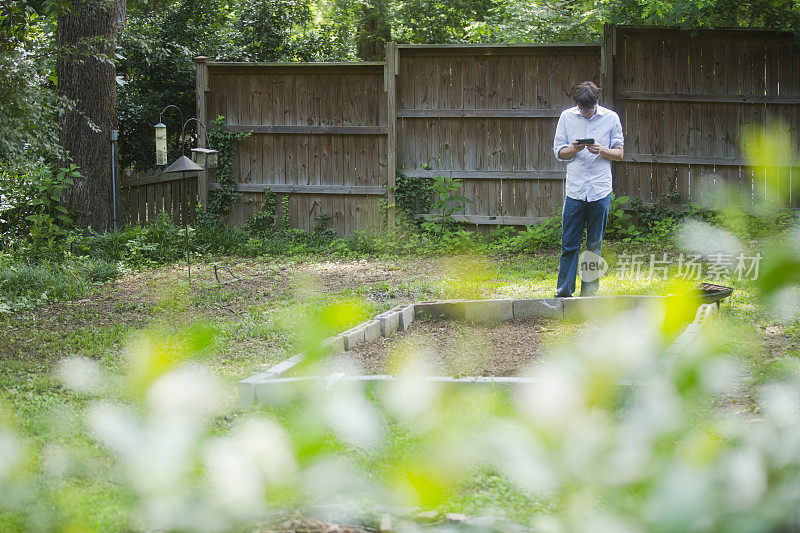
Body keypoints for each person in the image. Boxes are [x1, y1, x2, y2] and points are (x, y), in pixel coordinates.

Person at [552, 81, 624, 297]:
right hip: (574, 190)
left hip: (600, 190)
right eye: (582, 109)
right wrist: (573, 148)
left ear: (596, 103)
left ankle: (589, 294)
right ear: (576, 104)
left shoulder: (611, 118)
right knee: (569, 244)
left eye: (589, 109)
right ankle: (564, 292)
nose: (585, 113)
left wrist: (601, 149)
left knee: (594, 244)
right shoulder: (566, 117)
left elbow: (619, 154)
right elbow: (558, 152)